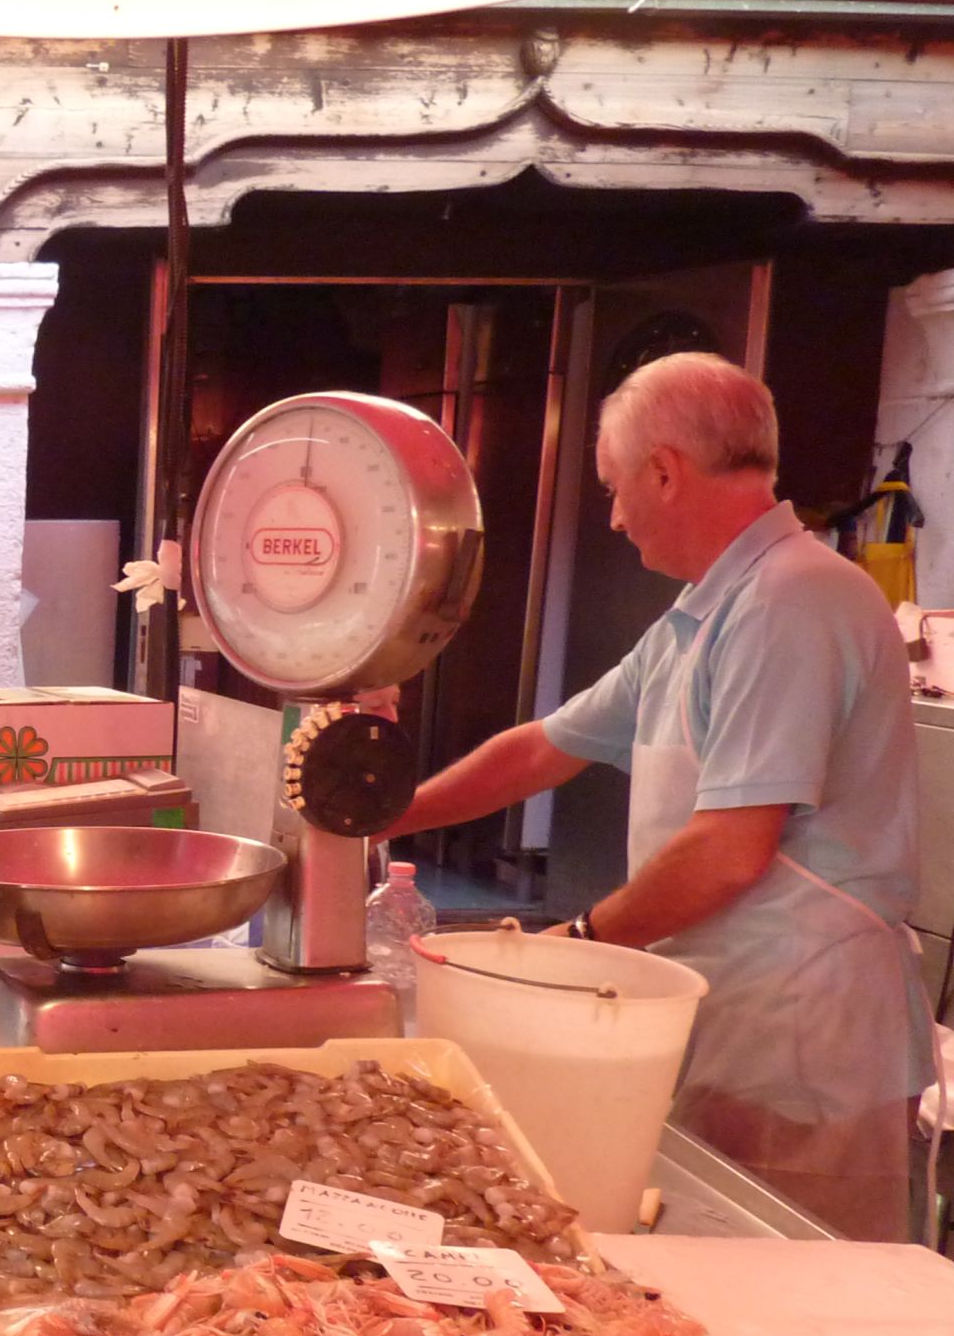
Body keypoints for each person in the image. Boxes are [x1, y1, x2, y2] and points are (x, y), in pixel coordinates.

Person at [389, 351, 927, 1241]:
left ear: (665, 471)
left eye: (612, 488)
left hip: (802, 1040)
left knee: (804, 1300)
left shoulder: (794, 600)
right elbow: (543, 748)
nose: (612, 517)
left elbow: (729, 849)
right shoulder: (703, 614)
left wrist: (577, 950)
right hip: (728, 1016)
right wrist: (387, 812)